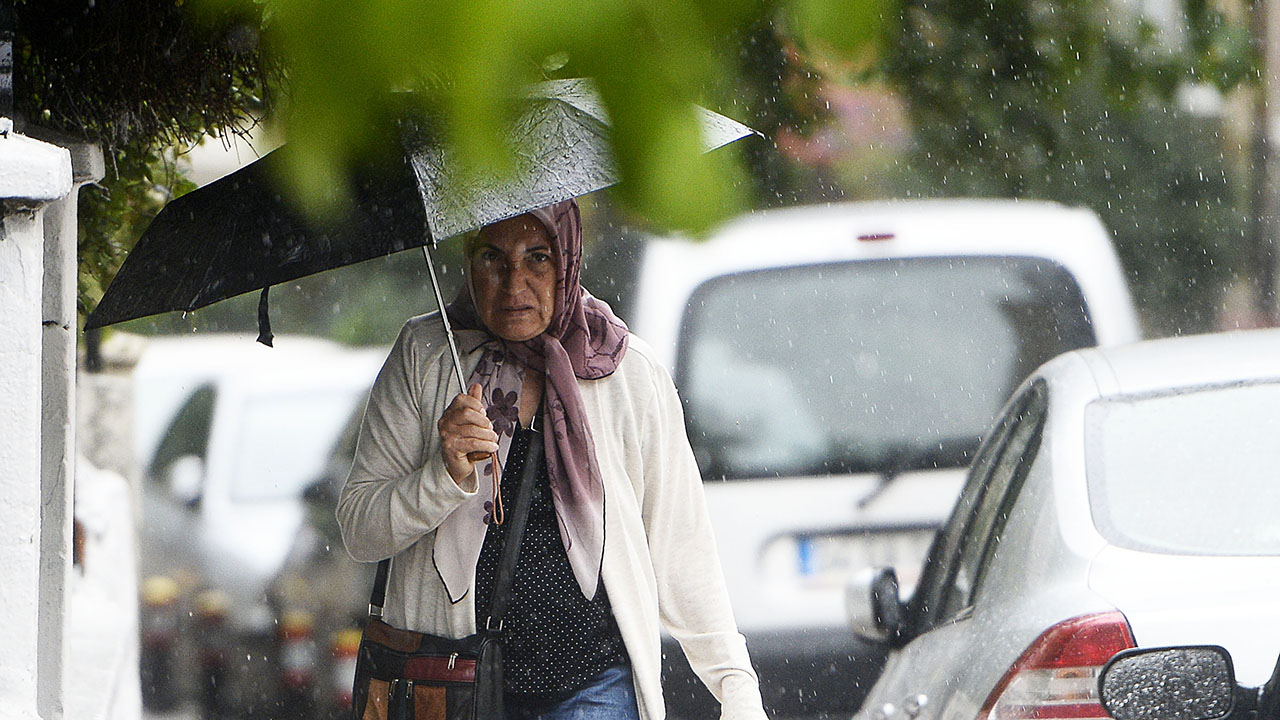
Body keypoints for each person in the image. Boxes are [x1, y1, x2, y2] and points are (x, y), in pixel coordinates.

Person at [337, 199, 768, 720]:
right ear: (468, 262)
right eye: (492, 258)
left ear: (569, 260)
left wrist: (735, 684)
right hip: (450, 686)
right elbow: (360, 529)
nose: (513, 281)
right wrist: (442, 475)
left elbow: (681, 544)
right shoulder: (426, 356)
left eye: (538, 257)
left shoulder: (626, 372)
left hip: (592, 686)